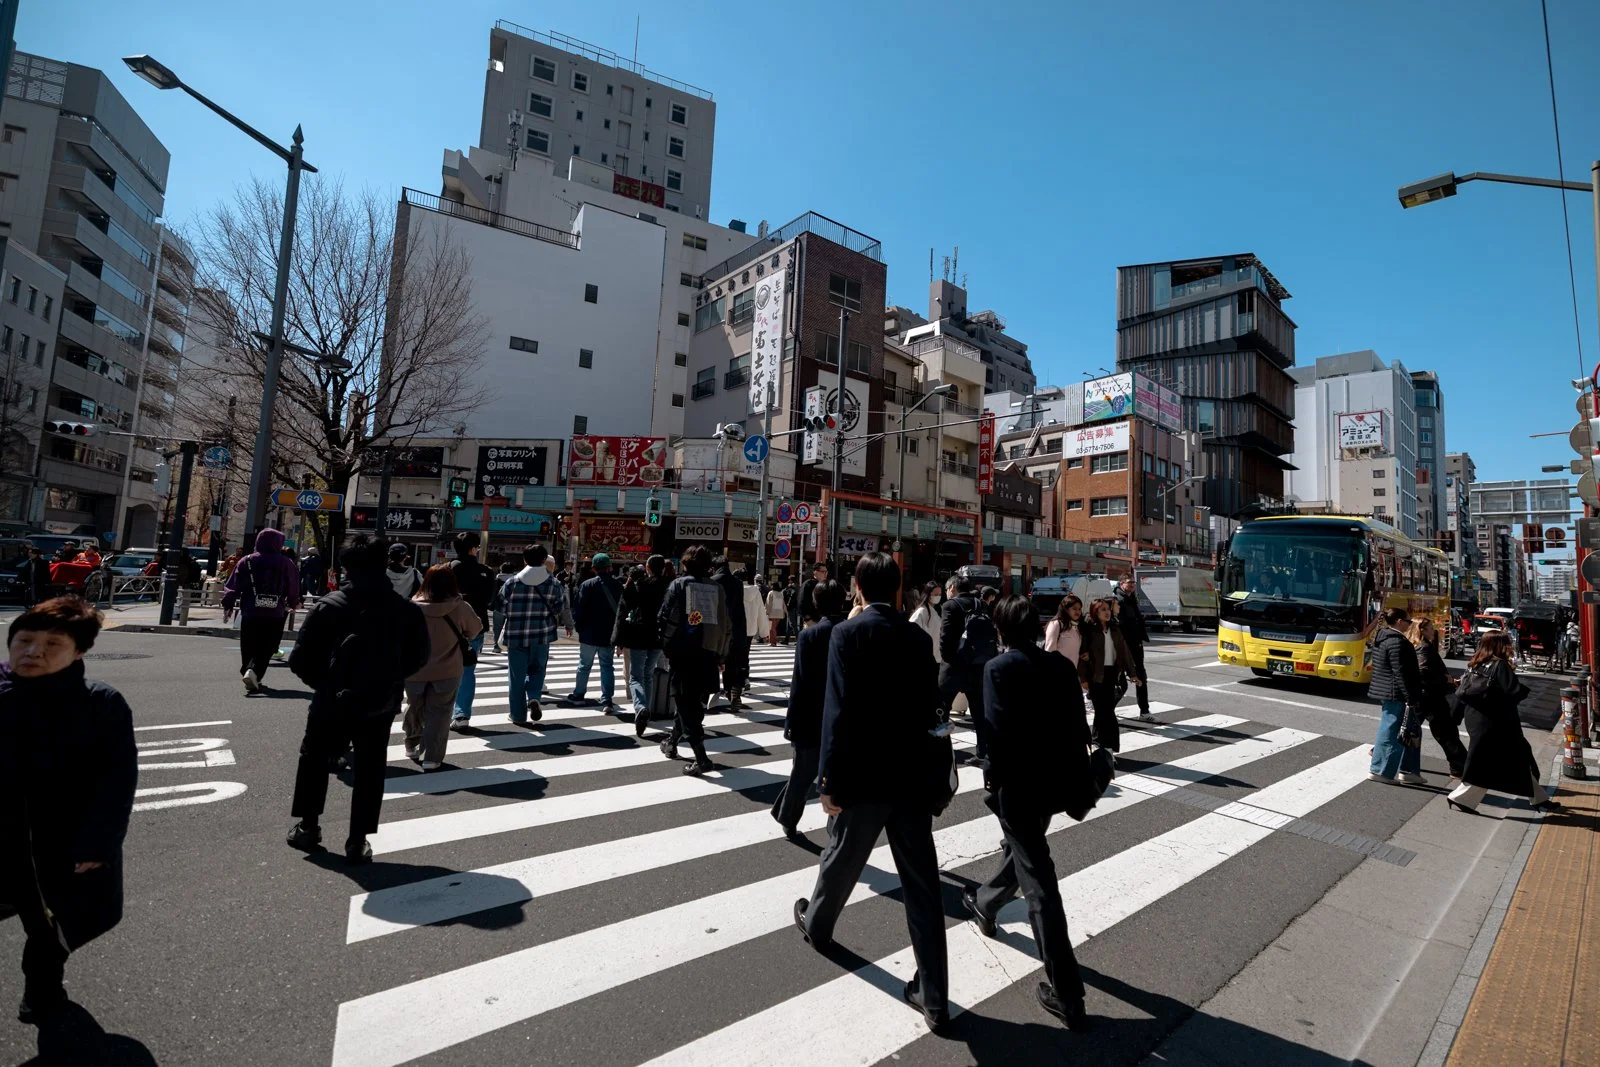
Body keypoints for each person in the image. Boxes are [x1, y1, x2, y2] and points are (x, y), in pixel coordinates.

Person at [793, 553, 949, 1033]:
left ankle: (819, 925)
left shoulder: (847, 634)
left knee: (842, 856)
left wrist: (828, 780)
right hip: (910, 774)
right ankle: (934, 996)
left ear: (857, 587)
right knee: (922, 885)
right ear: (899, 588)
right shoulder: (917, 638)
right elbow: (932, 709)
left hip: (862, 773)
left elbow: (837, 711)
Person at [0, 596, 136, 1024]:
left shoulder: (100, 704)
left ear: (79, 652)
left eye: (52, 644)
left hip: (64, 843)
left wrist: (99, 843)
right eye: (24, 640)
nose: (33, 652)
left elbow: (117, 782)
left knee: (65, 920)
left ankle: (40, 990)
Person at [963, 595, 1092, 1030]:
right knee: (1024, 852)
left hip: (1019, 787)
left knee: (1040, 884)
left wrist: (993, 784)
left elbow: (994, 733)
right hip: (1055, 784)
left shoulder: (998, 669)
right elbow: (1078, 727)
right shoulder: (1059, 667)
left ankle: (1067, 993)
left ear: (1000, 630)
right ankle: (986, 902)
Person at [287, 537, 430, 862]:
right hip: (379, 701)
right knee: (370, 767)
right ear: (383, 565)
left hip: (331, 700)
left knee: (314, 759)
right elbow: (419, 657)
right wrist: (391, 678)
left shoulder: (329, 606)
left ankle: (308, 827)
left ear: (345, 568)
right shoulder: (406, 611)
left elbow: (300, 659)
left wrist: (326, 684)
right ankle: (357, 840)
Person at [1446, 632, 1560, 812]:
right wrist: (1523, 689)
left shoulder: (1475, 663)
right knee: (1497, 760)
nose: (1510, 647)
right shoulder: (1500, 665)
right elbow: (1514, 691)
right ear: (1499, 645)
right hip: (1496, 722)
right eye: (1507, 644)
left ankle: (1539, 798)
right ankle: (1460, 797)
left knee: (1510, 758)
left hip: (1476, 718)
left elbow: (1464, 692)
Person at [771, 579, 847, 837]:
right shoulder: (850, 631)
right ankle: (833, 825)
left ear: (816, 603)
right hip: (841, 714)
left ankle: (788, 817)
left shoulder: (809, 635)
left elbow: (799, 683)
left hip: (811, 713)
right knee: (838, 772)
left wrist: (791, 723)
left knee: (803, 772)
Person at [657, 544, 730, 775]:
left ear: (686, 563)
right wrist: (721, 653)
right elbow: (725, 623)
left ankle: (701, 758)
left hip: (683, 652)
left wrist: (665, 646)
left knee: (685, 703)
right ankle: (672, 741)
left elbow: (665, 618)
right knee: (692, 702)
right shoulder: (717, 588)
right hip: (708, 652)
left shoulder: (679, 585)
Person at [401, 564, 483, 770]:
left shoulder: (410, 607)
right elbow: (475, 630)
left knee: (414, 706)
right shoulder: (460, 606)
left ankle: (411, 743)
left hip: (415, 668)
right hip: (448, 669)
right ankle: (432, 757)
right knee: (440, 712)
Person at [221, 528, 302, 694]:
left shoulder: (246, 560)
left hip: (250, 609)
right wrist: (294, 602)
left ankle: (248, 670)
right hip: (275, 612)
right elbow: (293, 586)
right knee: (268, 644)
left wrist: (228, 604)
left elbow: (233, 585)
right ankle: (255, 672)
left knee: (248, 643)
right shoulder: (286, 563)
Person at [497, 543, 569, 724]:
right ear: (544, 560)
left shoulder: (512, 582)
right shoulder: (554, 583)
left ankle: (518, 715)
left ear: (524, 560)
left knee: (516, 676)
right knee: (538, 669)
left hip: (515, 636)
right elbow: (560, 607)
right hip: (542, 635)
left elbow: (500, 607)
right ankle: (534, 696)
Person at [938, 572, 998, 759]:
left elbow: (945, 638)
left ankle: (940, 748)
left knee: (941, 710)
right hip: (978, 666)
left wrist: (949, 660)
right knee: (979, 712)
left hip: (954, 667)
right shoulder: (981, 604)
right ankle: (983, 750)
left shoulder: (950, 606)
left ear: (952, 588)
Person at [446, 531, 499, 731]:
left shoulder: (448, 569)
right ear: (473, 549)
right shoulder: (486, 571)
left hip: (448, 624)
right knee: (467, 670)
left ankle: (441, 711)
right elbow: (489, 599)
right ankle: (461, 714)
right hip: (476, 625)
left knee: (444, 668)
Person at [614, 556, 671, 736]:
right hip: (658, 636)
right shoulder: (669, 587)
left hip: (639, 634)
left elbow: (624, 609)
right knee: (648, 673)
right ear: (663, 569)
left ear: (647, 567)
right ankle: (648, 710)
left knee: (636, 676)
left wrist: (619, 638)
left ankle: (640, 707)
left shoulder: (639, 585)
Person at [1368, 607, 1425, 785]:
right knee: (1393, 731)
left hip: (1388, 691)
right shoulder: (1397, 642)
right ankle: (1381, 771)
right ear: (1400, 621)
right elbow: (1400, 672)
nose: (1410, 625)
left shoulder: (1382, 637)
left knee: (1407, 730)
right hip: (1396, 693)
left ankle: (1407, 770)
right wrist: (1410, 696)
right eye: (1408, 621)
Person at [1411, 618, 1467, 780]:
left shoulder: (1416, 645)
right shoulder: (1423, 647)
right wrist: (1446, 679)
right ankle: (1460, 767)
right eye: (1430, 628)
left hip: (1426, 695)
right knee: (1446, 732)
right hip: (1431, 696)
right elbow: (1422, 672)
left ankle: (1381, 749)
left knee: (1411, 728)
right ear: (1422, 630)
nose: (1434, 631)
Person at [568, 552, 624, 714]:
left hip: (589, 633)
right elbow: (622, 611)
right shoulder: (618, 585)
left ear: (594, 568)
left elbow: (578, 609)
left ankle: (579, 695)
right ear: (610, 567)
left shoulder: (587, 585)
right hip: (608, 633)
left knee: (584, 665)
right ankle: (607, 700)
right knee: (607, 666)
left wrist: (579, 628)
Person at [1081, 599, 1133, 752]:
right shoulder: (1090, 630)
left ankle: (1102, 744)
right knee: (1103, 711)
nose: (1107, 612)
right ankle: (1105, 745)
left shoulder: (1114, 629)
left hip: (1112, 674)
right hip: (1096, 674)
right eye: (1102, 610)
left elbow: (1124, 651)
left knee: (1106, 711)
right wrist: (1083, 678)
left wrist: (1133, 673)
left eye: (1108, 609)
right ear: (1095, 612)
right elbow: (1082, 655)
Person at [711, 556, 751, 710]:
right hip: (735, 628)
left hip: (718, 629)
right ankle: (733, 689)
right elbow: (739, 609)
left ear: (715, 567)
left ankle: (714, 692)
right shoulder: (737, 583)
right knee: (733, 662)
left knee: (715, 661)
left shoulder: (712, 581)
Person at [1115, 575, 1153, 722]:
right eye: (1129, 582)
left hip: (1135, 644)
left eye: (1133, 582)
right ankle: (1102, 707)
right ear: (1121, 583)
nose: (1132, 585)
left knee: (1140, 677)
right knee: (1120, 681)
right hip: (1126, 646)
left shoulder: (1130, 598)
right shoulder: (1119, 600)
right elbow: (1121, 626)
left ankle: (1144, 711)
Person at [1044, 595, 1086, 674]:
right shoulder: (1056, 624)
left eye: (1079, 609)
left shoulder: (1077, 626)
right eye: (1074, 608)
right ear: (1066, 609)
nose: (1078, 611)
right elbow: (1049, 651)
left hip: (1072, 672)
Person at [908, 581, 944, 666]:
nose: (938, 596)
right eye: (936, 594)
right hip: (925, 656)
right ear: (928, 594)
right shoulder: (921, 611)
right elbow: (912, 633)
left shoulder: (935, 610)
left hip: (935, 655)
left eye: (940, 594)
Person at [490, 561, 516, 652]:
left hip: (498, 607)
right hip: (512, 608)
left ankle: (497, 646)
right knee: (511, 627)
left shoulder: (496, 580)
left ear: (501, 570)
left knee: (497, 627)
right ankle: (510, 646)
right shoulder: (515, 581)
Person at [799, 561, 830, 629]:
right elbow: (802, 602)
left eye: (826, 572)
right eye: (823, 572)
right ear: (815, 572)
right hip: (812, 621)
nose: (825, 574)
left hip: (822, 620)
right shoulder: (809, 584)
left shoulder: (825, 585)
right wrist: (807, 618)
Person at [765, 578, 788, 646]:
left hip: (772, 612)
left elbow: (769, 603)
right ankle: (771, 641)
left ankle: (774, 641)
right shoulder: (780, 594)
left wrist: (767, 611)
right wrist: (786, 611)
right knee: (773, 627)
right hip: (779, 612)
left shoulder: (771, 593)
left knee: (772, 628)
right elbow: (783, 603)